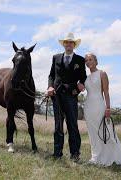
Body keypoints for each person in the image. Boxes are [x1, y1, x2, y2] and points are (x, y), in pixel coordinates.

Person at [83, 53, 121, 167]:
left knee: (106, 132)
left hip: (99, 106)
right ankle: (96, 156)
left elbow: (106, 93)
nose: (88, 62)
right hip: (88, 107)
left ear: (96, 61)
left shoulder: (102, 74)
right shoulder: (86, 78)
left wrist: (108, 108)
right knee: (92, 133)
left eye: (90, 59)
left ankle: (113, 156)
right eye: (86, 60)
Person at [46, 32, 87, 162]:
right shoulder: (55, 57)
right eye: (67, 42)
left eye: (71, 43)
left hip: (71, 96)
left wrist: (80, 86)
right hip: (56, 95)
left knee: (72, 125)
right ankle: (57, 153)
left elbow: (83, 78)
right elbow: (51, 75)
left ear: (74, 45)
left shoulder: (80, 60)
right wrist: (50, 87)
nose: (69, 44)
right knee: (58, 125)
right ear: (64, 44)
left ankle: (75, 154)